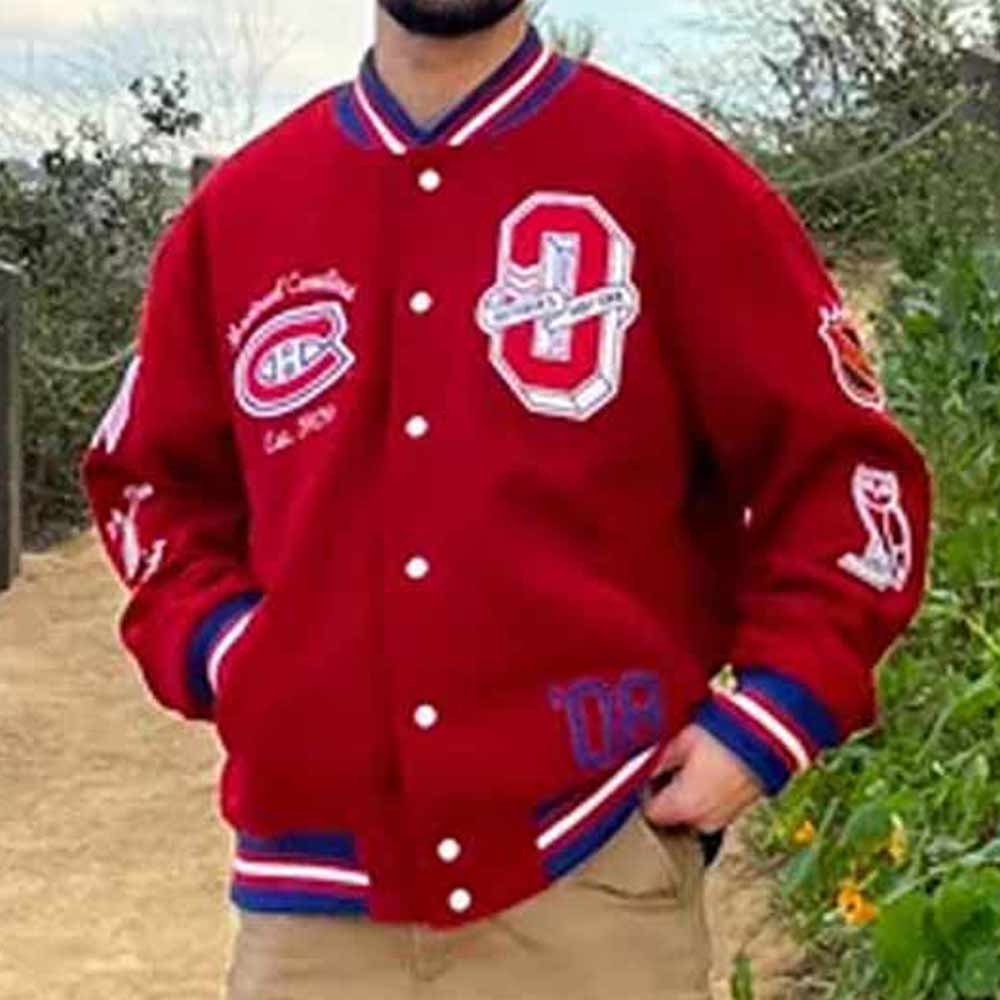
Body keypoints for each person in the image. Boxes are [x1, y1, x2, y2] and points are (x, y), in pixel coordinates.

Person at [80, 1, 932, 997]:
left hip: (592, 879)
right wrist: (238, 657)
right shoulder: (243, 210)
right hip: (310, 907)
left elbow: (846, 474)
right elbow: (148, 482)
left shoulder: (672, 178)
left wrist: (772, 716)